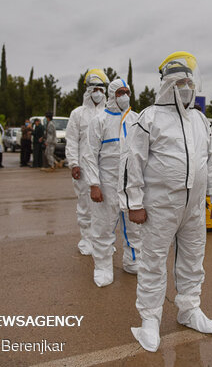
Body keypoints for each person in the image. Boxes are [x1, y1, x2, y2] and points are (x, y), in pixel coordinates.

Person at [121, 52, 212, 352]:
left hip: (193, 209)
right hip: (158, 209)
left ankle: (189, 309)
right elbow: (134, 163)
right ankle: (150, 320)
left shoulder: (199, 120)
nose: (186, 87)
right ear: (168, 84)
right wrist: (135, 203)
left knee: (193, 259)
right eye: (180, 82)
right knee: (153, 261)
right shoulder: (149, 118)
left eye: (189, 82)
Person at [83, 78, 141, 286]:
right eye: (120, 92)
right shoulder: (99, 121)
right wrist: (94, 184)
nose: (124, 96)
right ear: (112, 95)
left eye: (127, 92)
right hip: (106, 183)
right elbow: (89, 155)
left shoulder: (136, 119)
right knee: (103, 226)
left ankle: (133, 261)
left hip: (131, 184)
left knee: (133, 226)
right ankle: (103, 267)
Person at [65, 69, 109, 256]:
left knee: (104, 207)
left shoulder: (109, 114)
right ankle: (86, 239)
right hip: (83, 168)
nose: (98, 93)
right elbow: (72, 140)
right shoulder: (78, 114)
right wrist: (73, 163)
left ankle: (102, 241)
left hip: (106, 169)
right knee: (85, 205)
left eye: (101, 89)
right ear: (88, 91)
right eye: (94, 89)